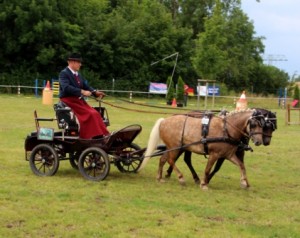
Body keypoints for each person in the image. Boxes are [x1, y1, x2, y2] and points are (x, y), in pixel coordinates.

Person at [59, 52, 109, 139]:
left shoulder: (78, 75)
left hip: (78, 101)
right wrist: (81, 91)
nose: (80, 64)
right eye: (79, 62)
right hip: (69, 101)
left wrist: (95, 92)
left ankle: (102, 135)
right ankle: (90, 136)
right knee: (91, 114)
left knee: (96, 113)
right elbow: (66, 87)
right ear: (72, 62)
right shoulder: (64, 73)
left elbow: (86, 86)